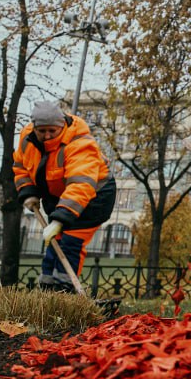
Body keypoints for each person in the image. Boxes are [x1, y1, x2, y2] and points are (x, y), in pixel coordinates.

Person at [13, 99, 115, 291]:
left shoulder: (80, 143)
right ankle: (47, 290)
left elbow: (81, 184)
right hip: (59, 196)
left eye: (52, 130)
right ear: (34, 127)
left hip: (94, 197)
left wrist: (60, 220)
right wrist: (28, 192)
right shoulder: (27, 139)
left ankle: (64, 292)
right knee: (55, 243)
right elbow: (20, 167)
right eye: (42, 131)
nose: (47, 135)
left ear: (62, 125)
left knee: (70, 243)